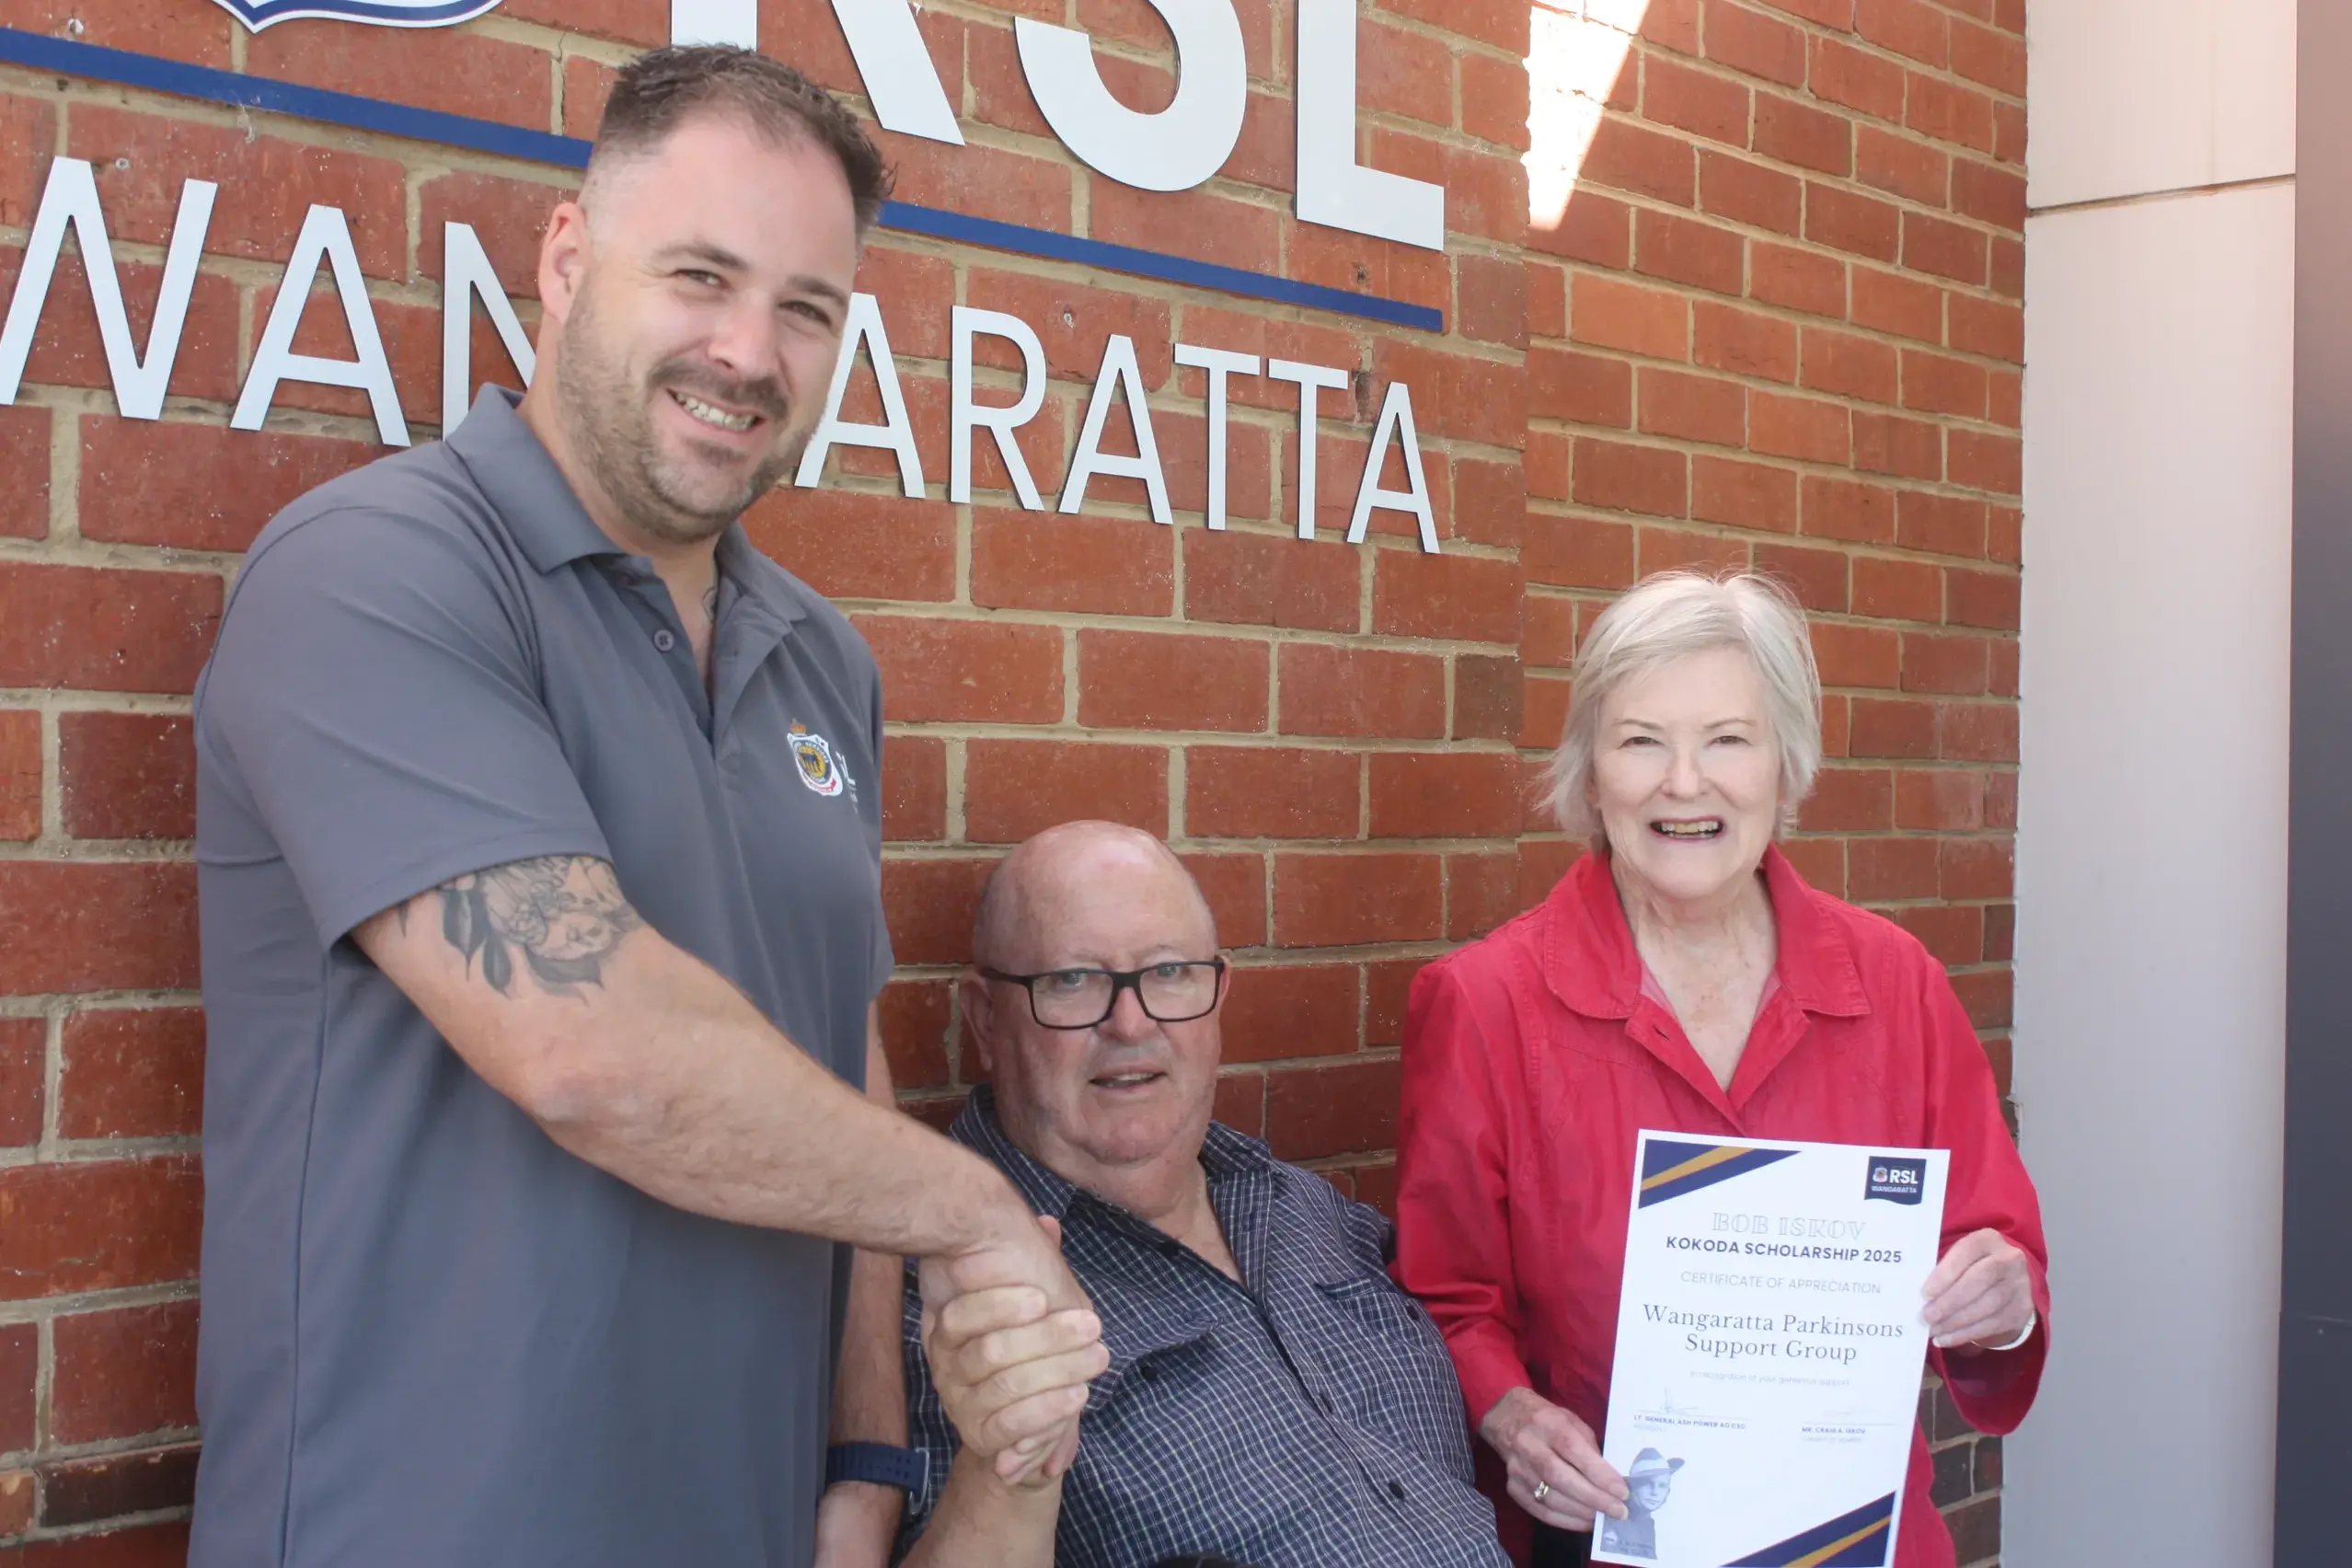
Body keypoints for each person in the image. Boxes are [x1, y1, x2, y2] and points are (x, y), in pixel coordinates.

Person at [190, 47, 1095, 1568]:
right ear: (565, 259)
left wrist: (865, 1454)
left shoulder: (823, 658)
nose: (747, 350)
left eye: (806, 307)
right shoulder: (376, 572)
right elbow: (590, 1049)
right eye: (700, 275)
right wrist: (978, 1212)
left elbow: (838, 1059)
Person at [1392, 572, 2049, 1568]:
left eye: (1729, 740)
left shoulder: (1896, 986)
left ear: (1785, 763)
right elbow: (1448, 1296)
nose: (1684, 783)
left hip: (1857, 1540)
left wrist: (2001, 1301)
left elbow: (1997, 1240)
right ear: (1590, 771)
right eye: (1641, 739)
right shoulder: (1486, 1004)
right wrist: (1508, 1413)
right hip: (1610, 1540)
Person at [894, 822, 1513, 1568]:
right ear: (986, 1020)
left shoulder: (1305, 1210)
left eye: (1169, 974)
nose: (1132, 1022)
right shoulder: (940, 1302)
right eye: (1073, 980)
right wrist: (1005, 1475)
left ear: (1218, 993)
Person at [1597, 1450, 1680, 1560]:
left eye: (1662, 1485)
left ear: (1668, 1491)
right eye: (1647, 1483)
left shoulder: (1647, 1523)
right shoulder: (1614, 1522)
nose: (1655, 1491)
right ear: (1634, 1485)